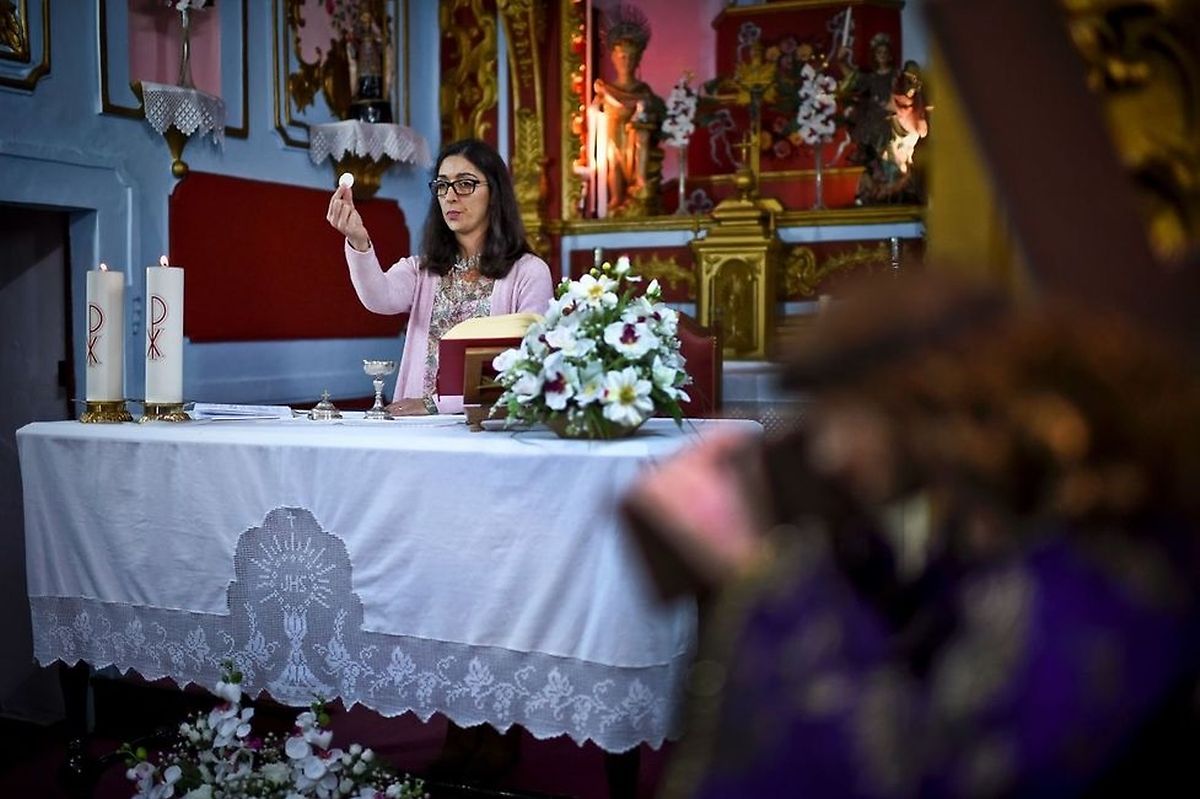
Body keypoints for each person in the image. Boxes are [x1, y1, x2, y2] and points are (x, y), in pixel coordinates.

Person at [624, 274, 1200, 797]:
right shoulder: (989, 521)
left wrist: (765, 586)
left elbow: (922, 767)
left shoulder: (1090, 578)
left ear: (926, 403)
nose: (828, 451)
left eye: (843, 418)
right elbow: (922, 630)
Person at [326, 137, 553, 416]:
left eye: (465, 183)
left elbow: (529, 364)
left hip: (488, 427)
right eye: (442, 185)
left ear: (495, 193)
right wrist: (358, 240)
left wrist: (436, 404)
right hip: (417, 431)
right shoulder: (422, 270)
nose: (450, 195)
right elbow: (378, 297)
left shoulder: (529, 272)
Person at [591, 3, 666, 216]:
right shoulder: (606, 90)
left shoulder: (643, 90)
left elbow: (653, 114)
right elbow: (595, 113)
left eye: (631, 57)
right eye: (622, 56)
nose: (627, 61)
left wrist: (643, 115)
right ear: (613, 58)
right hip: (612, 132)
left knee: (639, 141)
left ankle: (639, 185)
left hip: (637, 138)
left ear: (638, 59)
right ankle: (616, 197)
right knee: (612, 159)